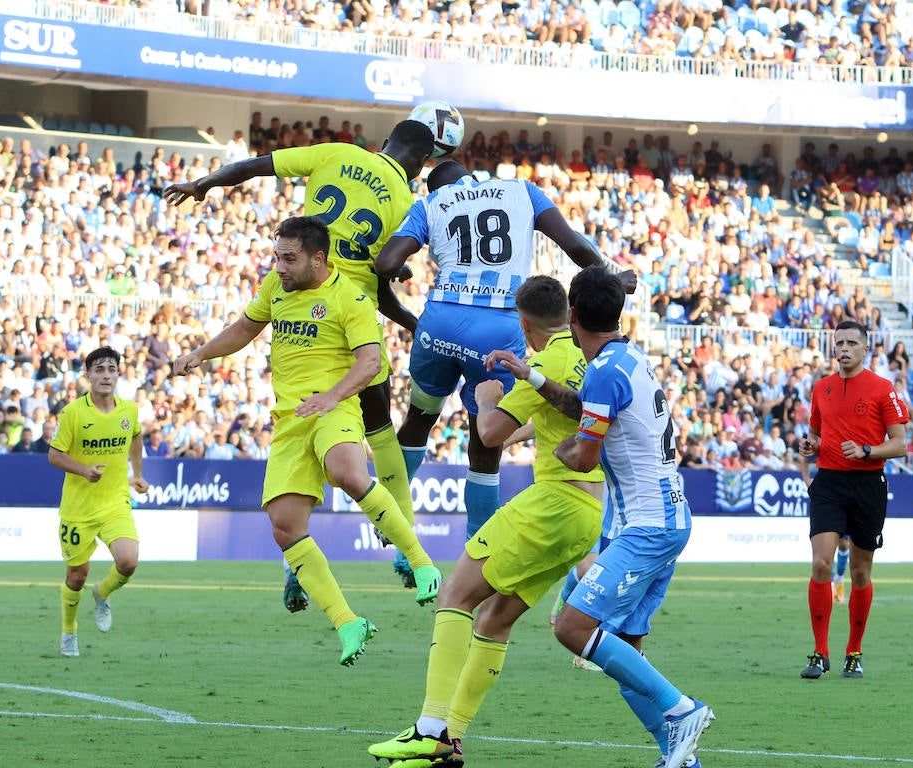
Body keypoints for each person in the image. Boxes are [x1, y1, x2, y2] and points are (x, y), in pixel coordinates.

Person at [165, 120, 435, 591]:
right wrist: (412, 316)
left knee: (302, 440)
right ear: (419, 165)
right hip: (351, 316)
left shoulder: (337, 153)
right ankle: (408, 551)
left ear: (386, 141)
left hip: (300, 306)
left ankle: (296, 562)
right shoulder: (405, 202)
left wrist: (205, 182)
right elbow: (382, 274)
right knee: (379, 433)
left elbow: (256, 166)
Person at [170, 216, 443, 666]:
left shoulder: (349, 298)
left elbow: (372, 362)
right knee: (284, 525)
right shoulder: (276, 288)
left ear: (318, 259)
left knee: (347, 473)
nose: (279, 266)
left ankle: (420, 560)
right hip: (290, 419)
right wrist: (201, 352)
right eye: (277, 256)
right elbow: (244, 328)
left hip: (334, 406)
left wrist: (332, 396)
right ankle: (348, 623)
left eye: (289, 258)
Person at [367, 276, 604, 768]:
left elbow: (489, 433)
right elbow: (566, 412)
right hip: (588, 514)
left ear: (523, 322)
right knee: (495, 619)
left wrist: (489, 397)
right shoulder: (589, 357)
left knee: (454, 594)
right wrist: (523, 428)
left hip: (553, 502)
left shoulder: (543, 361)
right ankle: (451, 740)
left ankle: (429, 730)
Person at [497, 268, 714, 768]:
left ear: (571, 317)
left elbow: (583, 457)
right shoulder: (626, 356)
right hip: (663, 518)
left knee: (572, 629)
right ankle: (680, 758)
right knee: (624, 652)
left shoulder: (605, 372)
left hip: (648, 526)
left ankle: (683, 709)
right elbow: (585, 407)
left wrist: (558, 445)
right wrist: (530, 375)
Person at [373, 160, 610, 545]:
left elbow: (385, 263)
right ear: (472, 178)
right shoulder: (522, 191)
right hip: (499, 325)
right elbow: (573, 243)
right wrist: (609, 275)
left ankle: (391, 515)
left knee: (419, 418)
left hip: (441, 322)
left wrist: (401, 272)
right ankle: (477, 548)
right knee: (486, 442)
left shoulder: (431, 204)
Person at [798, 320, 909, 680]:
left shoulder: (882, 388)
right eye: (838, 343)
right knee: (820, 565)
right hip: (829, 482)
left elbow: (900, 444)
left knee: (860, 571)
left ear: (865, 348)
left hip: (867, 485)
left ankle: (854, 651)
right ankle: (819, 652)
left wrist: (866, 450)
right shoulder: (822, 388)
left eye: (850, 343)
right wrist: (811, 444)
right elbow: (815, 433)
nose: (843, 348)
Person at [46, 346, 150, 658]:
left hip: (115, 501)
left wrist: (138, 474)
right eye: (99, 370)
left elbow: (136, 437)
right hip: (79, 508)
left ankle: (102, 593)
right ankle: (69, 632)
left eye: (111, 369)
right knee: (76, 576)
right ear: (89, 375)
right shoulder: (73, 413)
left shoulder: (128, 410)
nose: (106, 375)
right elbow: (54, 455)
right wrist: (83, 470)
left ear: (118, 374)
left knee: (129, 561)